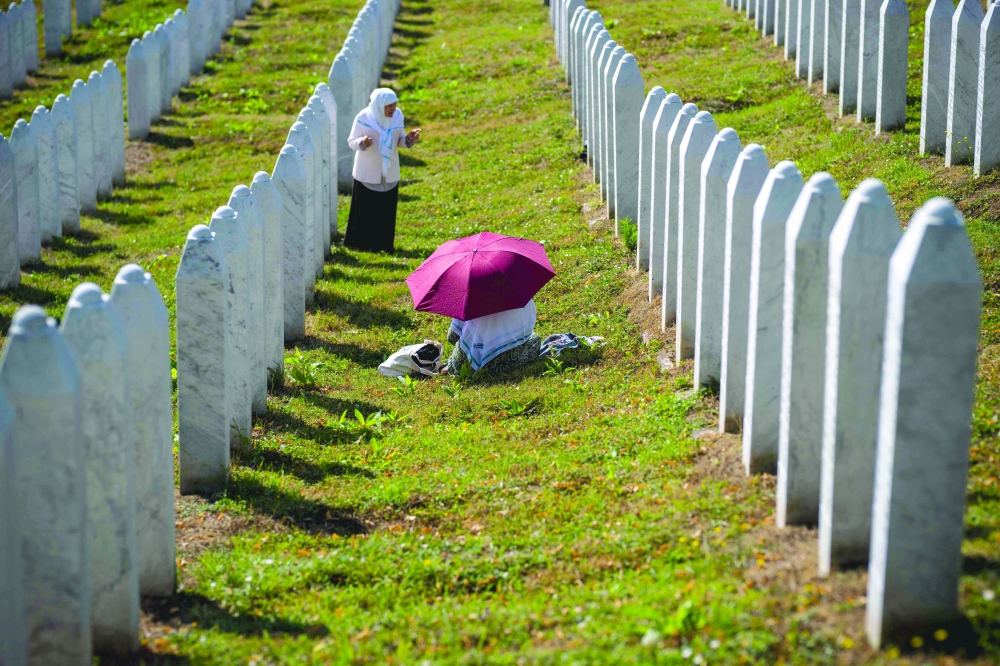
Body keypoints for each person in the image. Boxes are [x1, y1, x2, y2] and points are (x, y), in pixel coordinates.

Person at [344, 88, 421, 252]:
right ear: (379, 105)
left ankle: (383, 245)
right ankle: (361, 244)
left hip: (389, 172)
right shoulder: (363, 117)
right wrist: (363, 143)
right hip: (368, 172)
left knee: (386, 212)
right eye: (389, 106)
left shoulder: (397, 116)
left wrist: (409, 139)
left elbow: (399, 140)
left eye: (394, 104)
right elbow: (351, 141)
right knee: (366, 211)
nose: (393, 109)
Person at [446, 300, 541, 376]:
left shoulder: (469, 297)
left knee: (461, 352)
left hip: (467, 366)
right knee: (535, 339)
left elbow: (452, 337)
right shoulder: (518, 293)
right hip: (508, 361)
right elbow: (526, 332)